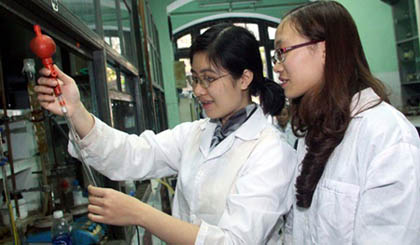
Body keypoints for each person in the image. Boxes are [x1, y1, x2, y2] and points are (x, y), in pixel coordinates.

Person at [35, 24, 296, 244]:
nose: (198, 90)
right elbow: (131, 154)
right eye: (195, 78)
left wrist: (141, 214)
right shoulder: (196, 133)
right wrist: (76, 110)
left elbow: (234, 241)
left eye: (208, 78)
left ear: (245, 79)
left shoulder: (271, 152)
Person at [271, 1, 420, 244]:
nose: (277, 66)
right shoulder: (313, 132)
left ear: (324, 50)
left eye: (282, 52)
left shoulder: (386, 136)